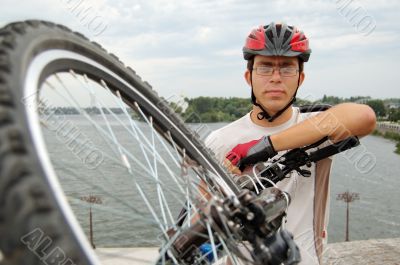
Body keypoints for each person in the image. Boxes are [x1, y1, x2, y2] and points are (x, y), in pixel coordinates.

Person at [205, 22, 376, 265]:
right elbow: (201, 217)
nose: (275, 78)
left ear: (300, 78)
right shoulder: (221, 140)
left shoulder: (314, 126)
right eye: (265, 68)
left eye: (286, 68)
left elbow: (364, 118)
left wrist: (262, 146)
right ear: (248, 76)